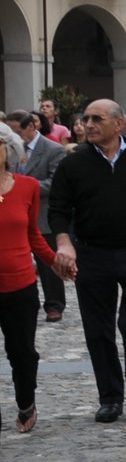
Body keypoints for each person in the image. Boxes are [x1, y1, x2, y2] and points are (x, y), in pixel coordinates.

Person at [48, 100, 126, 425]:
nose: (87, 124)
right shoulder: (73, 164)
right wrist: (65, 243)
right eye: (86, 119)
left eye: (97, 119)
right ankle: (110, 398)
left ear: (119, 124)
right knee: (98, 329)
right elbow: (59, 210)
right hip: (92, 255)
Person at [0, 124, 53, 433]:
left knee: (22, 352)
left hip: (20, 285)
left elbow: (33, 235)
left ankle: (26, 402)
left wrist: (55, 263)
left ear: (10, 150)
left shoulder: (28, 186)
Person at [6, 110, 68, 322]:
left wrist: (24, 188)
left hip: (42, 213)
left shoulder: (53, 149)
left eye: (18, 131)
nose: (16, 136)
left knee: (47, 261)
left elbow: (56, 183)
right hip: (13, 213)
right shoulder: (13, 149)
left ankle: (55, 304)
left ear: (31, 127)